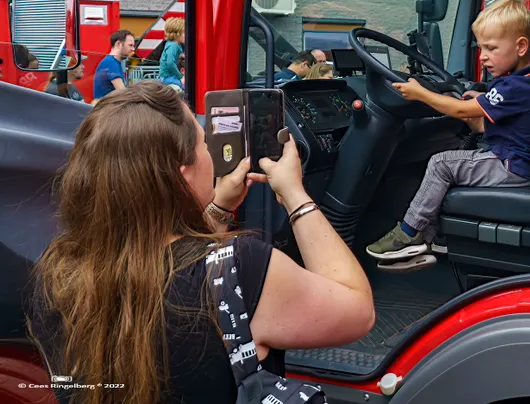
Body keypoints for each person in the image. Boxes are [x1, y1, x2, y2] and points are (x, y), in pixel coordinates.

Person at [26, 82, 374, 404]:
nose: (211, 151)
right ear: (182, 177)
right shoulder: (242, 266)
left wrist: (217, 209)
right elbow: (356, 311)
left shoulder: (56, 273)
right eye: (203, 143)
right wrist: (295, 195)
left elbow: (160, 262)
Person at [366, 0, 530, 270]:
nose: (483, 56)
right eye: (480, 48)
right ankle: (437, 237)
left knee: (441, 164)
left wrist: (421, 94)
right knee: (458, 161)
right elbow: (503, 110)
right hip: (524, 162)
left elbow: (459, 110)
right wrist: (484, 99)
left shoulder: (514, 86)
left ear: (521, 46)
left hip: (514, 168)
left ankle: (409, 233)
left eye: (491, 48)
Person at [93, 29, 135, 101]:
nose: (133, 49)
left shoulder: (112, 62)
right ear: (118, 44)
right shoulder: (111, 63)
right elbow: (122, 92)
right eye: (130, 45)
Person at [159, 17, 185, 89]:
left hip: (168, 77)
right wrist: (180, 77)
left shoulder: (174, 44)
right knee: (185, 87)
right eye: (184, 32)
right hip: (167, 77)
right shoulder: (173, 45)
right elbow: (170, 63)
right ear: (177, 33)